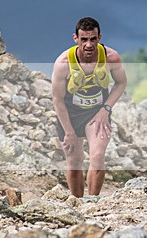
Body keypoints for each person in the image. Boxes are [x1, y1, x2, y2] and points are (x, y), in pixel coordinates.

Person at [51, 16, 127, 197]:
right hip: (70, 113)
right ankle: (77, 203)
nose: (88, 44)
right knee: (74, 160)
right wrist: (68, 131)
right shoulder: (63, 64)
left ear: (99, 38)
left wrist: (105, 109)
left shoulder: (111, 58)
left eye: (93, 39)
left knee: (98, 156)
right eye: (84, 39)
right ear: (75, 39)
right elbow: (57, 99)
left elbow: (121, 83)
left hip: (97, 112)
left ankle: (93, 202)